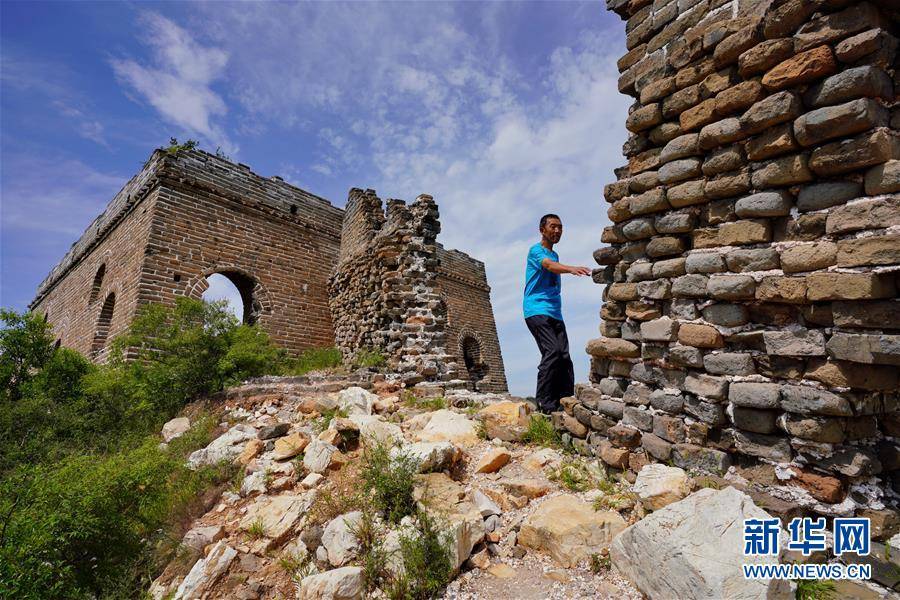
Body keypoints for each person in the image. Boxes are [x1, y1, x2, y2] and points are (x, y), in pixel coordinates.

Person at [523, 214, 591, 414]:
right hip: (536, 309)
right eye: (553, 227)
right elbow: (549, 266)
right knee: (552, 351)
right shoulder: (535, 251)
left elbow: (554, 263)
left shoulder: (556, 254)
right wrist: (572, 269)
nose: (557, 231)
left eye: (560, 227)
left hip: (555, 312)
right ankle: (544, 402)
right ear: (542, 229)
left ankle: (565, 399)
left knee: (564, 356)